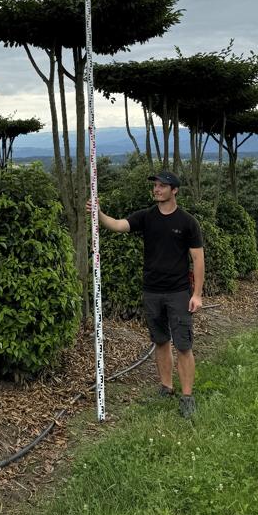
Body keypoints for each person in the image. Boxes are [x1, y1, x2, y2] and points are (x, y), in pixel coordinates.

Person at [90, 170, 204, 418]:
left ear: (174, 190)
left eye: (163, 186)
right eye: (155, 185)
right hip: (152, 291)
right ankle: (166, 387)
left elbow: (197, 258)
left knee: (183, 345)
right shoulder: (147, 217)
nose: (157, 189)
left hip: (178, 293)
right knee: (161, 341)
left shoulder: (187, 222)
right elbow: (118, 225)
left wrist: (197, 294)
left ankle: (187, 396)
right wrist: (98, 214)